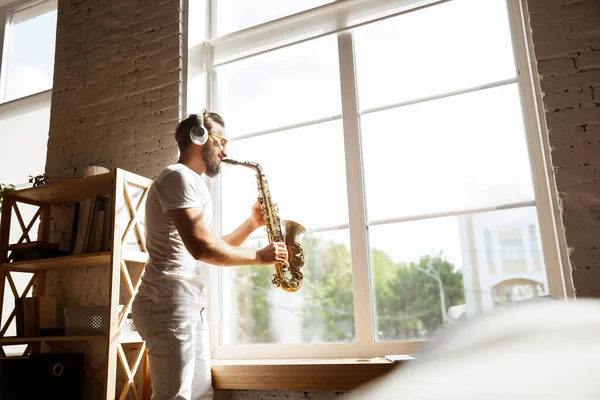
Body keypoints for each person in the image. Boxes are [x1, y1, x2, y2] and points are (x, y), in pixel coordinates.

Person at [131, 110, 289, 400]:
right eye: (222, 141)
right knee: (173, 397)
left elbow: (212, 243)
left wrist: (252, 224)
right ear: (199, 137)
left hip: (187, 304)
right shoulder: (176, 176)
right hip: (167, 301)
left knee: (200, 394)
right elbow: (202, 249)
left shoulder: (192, 182)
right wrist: (258, 256)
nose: (225, 151)